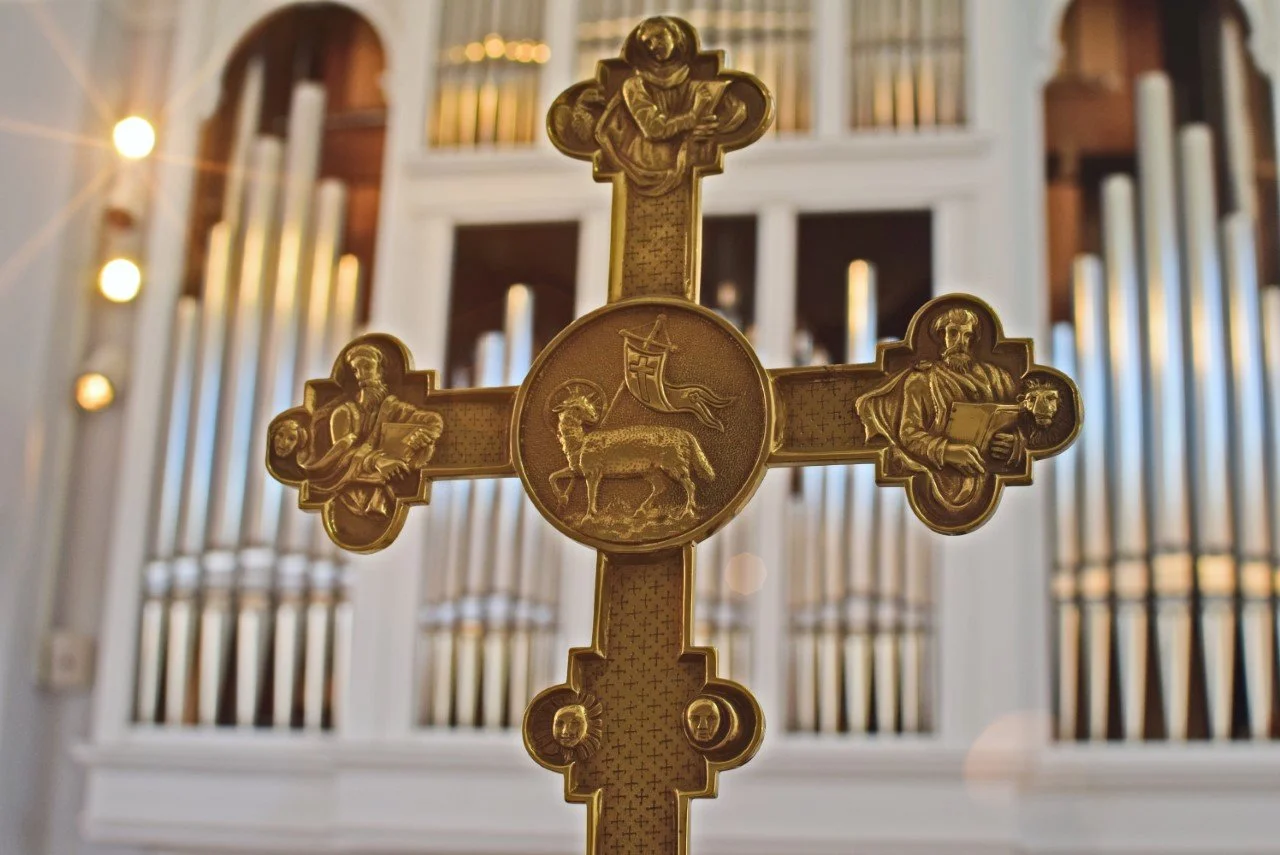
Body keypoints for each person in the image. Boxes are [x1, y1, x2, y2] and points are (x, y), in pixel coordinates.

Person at [856, 307, 1023, 511]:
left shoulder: (998, 378)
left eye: (968, 335)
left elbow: (1020, 424)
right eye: (953, 333)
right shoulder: (921, 380)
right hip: (944, 481)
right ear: (941, 336)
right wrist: (947, 452)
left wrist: (1013, 444)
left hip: (984, 477)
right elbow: (908, 434)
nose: (961, 342)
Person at [271, 343, 442, 518]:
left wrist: (421, 436)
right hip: (351, 493)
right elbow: (342, 459)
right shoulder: (343, 413)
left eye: (367, 367)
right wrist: (377, 461)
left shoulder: (393, 407)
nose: (361, 376)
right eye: (356, 370)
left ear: (380, 372)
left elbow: (433, 421)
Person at [591, 16, 747, 196]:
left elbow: (736, 113)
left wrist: (711, 124)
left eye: (658, 37)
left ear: (676, 36)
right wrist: (693, 117)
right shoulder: (634, 85)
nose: (653, 45)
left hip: (683, 158)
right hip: (643, 163)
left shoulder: (698, 87)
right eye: (647, 42)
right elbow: (654, 129)